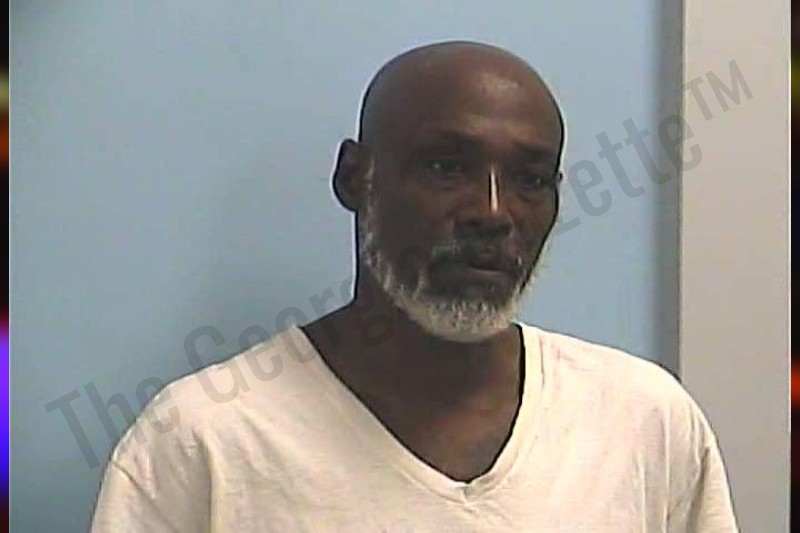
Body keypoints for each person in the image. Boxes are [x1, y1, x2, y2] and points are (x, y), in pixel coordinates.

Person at [90, 41, 738, 532]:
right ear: (355, 179)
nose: (493, 212)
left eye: (530, 179)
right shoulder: (204, 443)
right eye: (447, 166)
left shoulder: (643, 424)